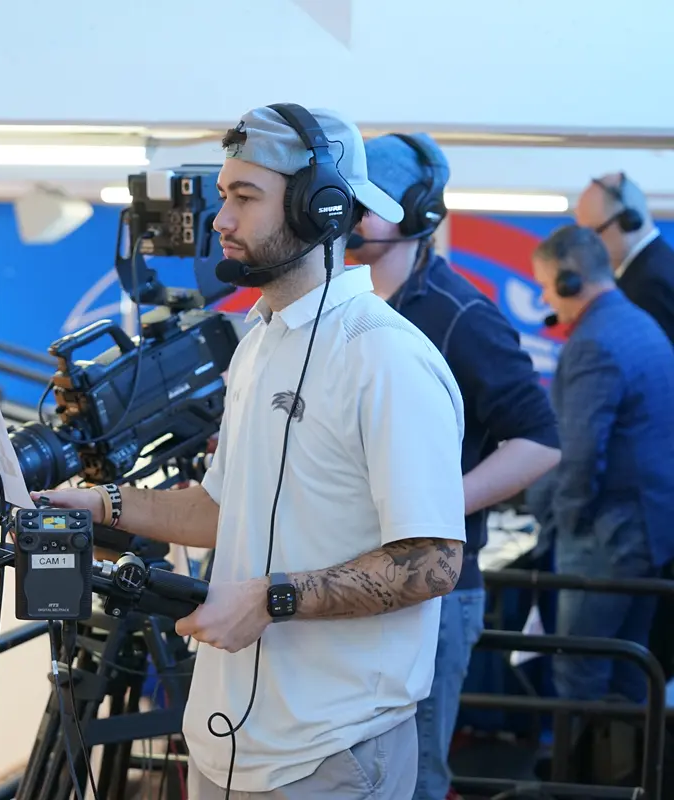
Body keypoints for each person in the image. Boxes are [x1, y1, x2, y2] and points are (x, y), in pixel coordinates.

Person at [36, 103, 467, 799]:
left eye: (244, 198)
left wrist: (275, 598)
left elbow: (434, 561)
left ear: (321, 208)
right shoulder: (261, 339)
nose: (220, 219)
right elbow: (218, 509)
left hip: (331, 751)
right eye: (223, 196)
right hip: (227, 740)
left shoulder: (385, 358)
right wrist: (105, 504)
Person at [350, 133, 562, 800]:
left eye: (366, 202)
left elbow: (540, 439)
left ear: (416, 212)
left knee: (414, 778)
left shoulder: (459, 315)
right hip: (356, 579)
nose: (346, 214)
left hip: (436, 594)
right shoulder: (351, 309)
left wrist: (432, 500)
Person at [531, 224, 674, 703]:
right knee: (629, 670)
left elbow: (580, 453)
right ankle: (631, 777)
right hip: (649, 533)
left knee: (580, 672)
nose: (546, 297)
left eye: (548, 285)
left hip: (605, 541)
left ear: (570, 282)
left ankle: (579, 777)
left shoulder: (593, 342)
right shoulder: (641, 324)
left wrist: (563, 526)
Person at [573, 172, 674, 342]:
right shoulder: (657, 263)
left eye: (593, 234)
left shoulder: (648, 284)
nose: (590, 247)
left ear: (628, 222)